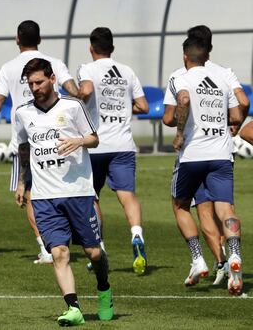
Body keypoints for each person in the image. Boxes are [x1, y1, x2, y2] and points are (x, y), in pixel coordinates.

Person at [15, 58, 113, 325]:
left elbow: (94, 138)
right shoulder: (23, 113)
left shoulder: (72, 106)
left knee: (93, 252)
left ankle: (104, 288)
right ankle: (74, 309)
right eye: (30, 83)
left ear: (52, 79)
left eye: (39, 82)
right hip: (45, 196)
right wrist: (24, 182)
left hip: (78, 192)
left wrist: (78, 140)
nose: (34, 87)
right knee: (59, 253)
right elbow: (24, 147)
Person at [163, 25, 249, 285]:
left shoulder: (180, 77)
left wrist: (179, 132)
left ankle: (198, 258)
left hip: (192, 155)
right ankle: (234, 255)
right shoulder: (223, 78)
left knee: (180, 205)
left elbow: (181, 105)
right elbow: (237, 113)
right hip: (222, 154)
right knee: (226, 210)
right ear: (207, 53)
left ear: (185, 56)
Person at [0, 20, 79, 265]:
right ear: (39, 39)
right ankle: (84, 242)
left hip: (28, 140)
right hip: (58, 137)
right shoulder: (54, 64)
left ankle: (46, 248)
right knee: (67, 189)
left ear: (17, 40)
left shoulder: (8, 68)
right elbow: (74, 90)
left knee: (30, 194)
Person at [77, 27, 149, 274]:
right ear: (112, 48)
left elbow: (85, 91)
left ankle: (101, 248)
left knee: (92, 196)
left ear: (91, 47)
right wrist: (122, 107)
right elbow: (143, 105)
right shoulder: (127, 71)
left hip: (96, 145)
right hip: (123, 145)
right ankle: (136, 235)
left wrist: (78, 99)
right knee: (127, 194)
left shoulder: (87, 69)